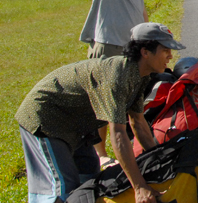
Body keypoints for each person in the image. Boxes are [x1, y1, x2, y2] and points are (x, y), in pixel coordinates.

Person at [15, 22, 185, 203]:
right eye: (166, 50)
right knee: (62, 190)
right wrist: (139, 186)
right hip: (47, 119)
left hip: (78, 126)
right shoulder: (118, 76)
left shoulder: (140, 75)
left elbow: (138, 124)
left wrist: (160, 160)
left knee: (90, 184)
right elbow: (118, 135)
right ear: (145, 52)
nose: (170, 56)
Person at [68, 0, 148, 165]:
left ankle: (142, 151)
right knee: (102, 106)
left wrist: (148, 36)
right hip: (108, 43)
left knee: (134, 105)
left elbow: (141, 6)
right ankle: (100, 156)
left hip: (133, 45)